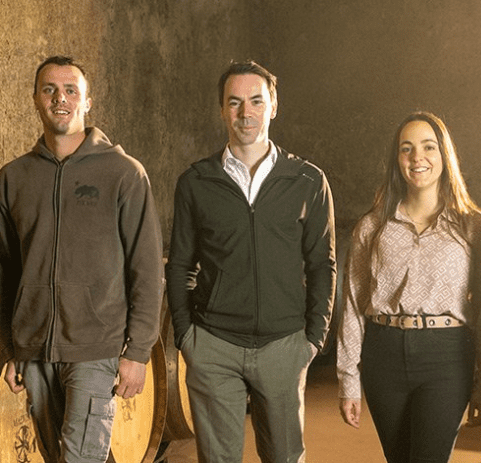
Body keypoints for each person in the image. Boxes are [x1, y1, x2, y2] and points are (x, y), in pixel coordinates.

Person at [165, 60, 336, 463]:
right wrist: (187, 337)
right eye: (236, 103)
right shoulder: (196, 181)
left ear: (273, 106)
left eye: (256, 101)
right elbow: (180, 264)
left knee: (284, 458)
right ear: (222, 109)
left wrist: (313, 339)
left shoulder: (308, 180)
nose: (246, 113)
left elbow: (322, 265)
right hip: (213, 345)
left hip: (284, 345)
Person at [0, 55, 164, 462]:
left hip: (97, 347)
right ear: (35, 99)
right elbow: (5, 273)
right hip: (35, 351)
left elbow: (145, 269)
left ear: (87, 102)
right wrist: (8, 349)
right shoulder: (13, 178)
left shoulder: (124, 173)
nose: (61, 99)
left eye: (71, 90)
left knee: (80, 458)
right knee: (62, 456)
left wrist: (138, 351)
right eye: (50, 90)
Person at [337, 111, 481, 463]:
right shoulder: (372, 227)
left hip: (447, 356)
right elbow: (352, 304)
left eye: (428, 147)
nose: (417, 157)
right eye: (406, 149)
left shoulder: (473, 225)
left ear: (444, 155)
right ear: (397, 160)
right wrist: (349, 379)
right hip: (384, 355)